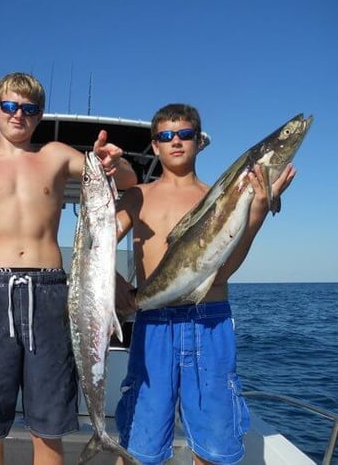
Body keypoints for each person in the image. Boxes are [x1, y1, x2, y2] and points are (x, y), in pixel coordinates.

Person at [0, 72, 138, 465]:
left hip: (51, 291)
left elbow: (127, 180)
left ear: (39, 115)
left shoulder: (55, 155)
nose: (18, 115)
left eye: (29, 109)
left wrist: (114, 160)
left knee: (49, 429)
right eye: (10, 106)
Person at [113, 103, 296, 465]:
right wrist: (113, 282)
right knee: (138, 448)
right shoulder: (138, 196)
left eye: (184, 134)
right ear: (155, 146)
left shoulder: (220, 195)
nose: (175, 142)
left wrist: (257, 210)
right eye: (166, 136)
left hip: (209, 319)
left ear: (198, 141)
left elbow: (225, 269)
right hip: (153, 324)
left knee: (213, 450)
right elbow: (96, 244)